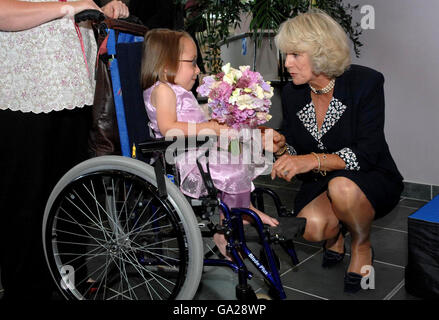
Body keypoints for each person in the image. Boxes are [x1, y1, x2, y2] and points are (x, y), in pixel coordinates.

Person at [0, 0, 129, 300]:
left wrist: (104, 8)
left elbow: (84, 8)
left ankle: (70, 288)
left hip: (77, 93)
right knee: (24, 207)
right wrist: (65, 8)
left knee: (73, 205)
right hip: (22, 94)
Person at [268, 9, 404, 293]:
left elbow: (367, 152)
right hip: (321, 181)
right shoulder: (294, 92)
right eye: (286, 55)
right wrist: (283, 148)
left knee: (342, 187)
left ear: (320, 52)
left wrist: (311, 160)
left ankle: (361, 243)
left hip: (369, 175)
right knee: (313, 228)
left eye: (295, 55)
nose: (286, 63)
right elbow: (295, 142)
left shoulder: (365, 83)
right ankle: (336, 235)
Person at [141, 29, 279, 259]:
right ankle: (226, 230)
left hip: (200, 149)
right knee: (234, 166)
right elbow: (168, 128)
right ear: (166, 64)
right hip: (185, 159)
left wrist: (216, 123)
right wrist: (211, 128)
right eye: (192, 63)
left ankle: (244, 206)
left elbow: (192, 120)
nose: (197, 69)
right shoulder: (162, 90)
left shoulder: (175, 90)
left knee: (244, 151)